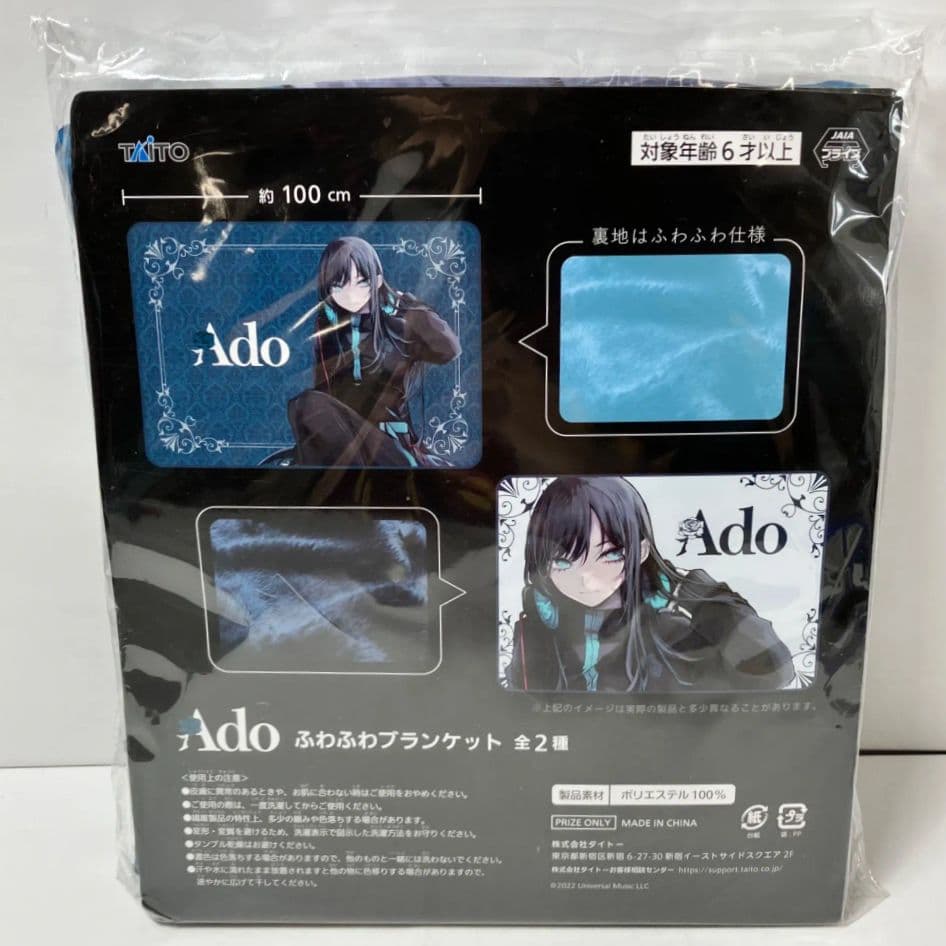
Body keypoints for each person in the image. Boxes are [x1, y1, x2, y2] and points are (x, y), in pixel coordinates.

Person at [505, 476, 795, 693]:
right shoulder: (537, 624)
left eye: (609, 555)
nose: (586, 578)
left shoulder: (676, 618)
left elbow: (773, 672)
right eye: (563, 562)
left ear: (641, 551)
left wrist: (701, 595)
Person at [285, 236, 461, 466]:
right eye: (339, 284)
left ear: (377, 281)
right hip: (345, 433)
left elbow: (449, 349)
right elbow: (325, 391)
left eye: (361, 282)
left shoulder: (399, 322)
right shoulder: (328, 327)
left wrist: (408, 305)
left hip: (389, 436)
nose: (351, 294)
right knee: (304, 405)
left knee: (307, 405)